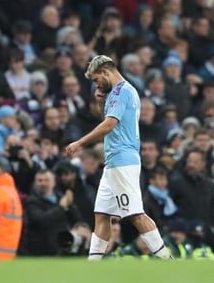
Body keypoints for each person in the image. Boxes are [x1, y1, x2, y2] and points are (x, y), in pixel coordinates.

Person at [65, 55, 171, 260]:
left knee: (135, 214)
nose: (97, 84)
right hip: (113, 162)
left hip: (123, 161)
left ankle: (167, 260)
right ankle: (92, 265)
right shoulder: (117, 92)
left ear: (105, 72)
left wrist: (80, 143)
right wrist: (100, 100)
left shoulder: (122, 91)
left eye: (97, 79)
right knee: (102, 215)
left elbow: (109, 125)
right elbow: (107, 119)